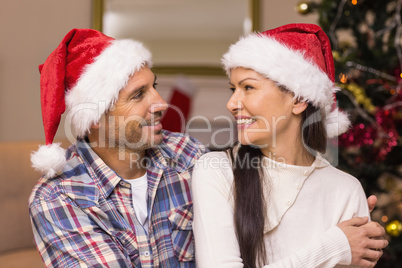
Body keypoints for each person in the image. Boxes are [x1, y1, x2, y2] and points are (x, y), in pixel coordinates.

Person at [192, 24, 388, 268]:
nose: (232, 103)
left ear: (298, 99)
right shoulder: (217, 170)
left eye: (248, 87)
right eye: (233, 89)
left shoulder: (345, 190)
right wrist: (331, 248)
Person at [29, 28, 207, 267]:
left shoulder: (187, 153)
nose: (162, 103)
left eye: (154, 85)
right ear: (94, 118)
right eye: (138, 95)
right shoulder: (57, 199)